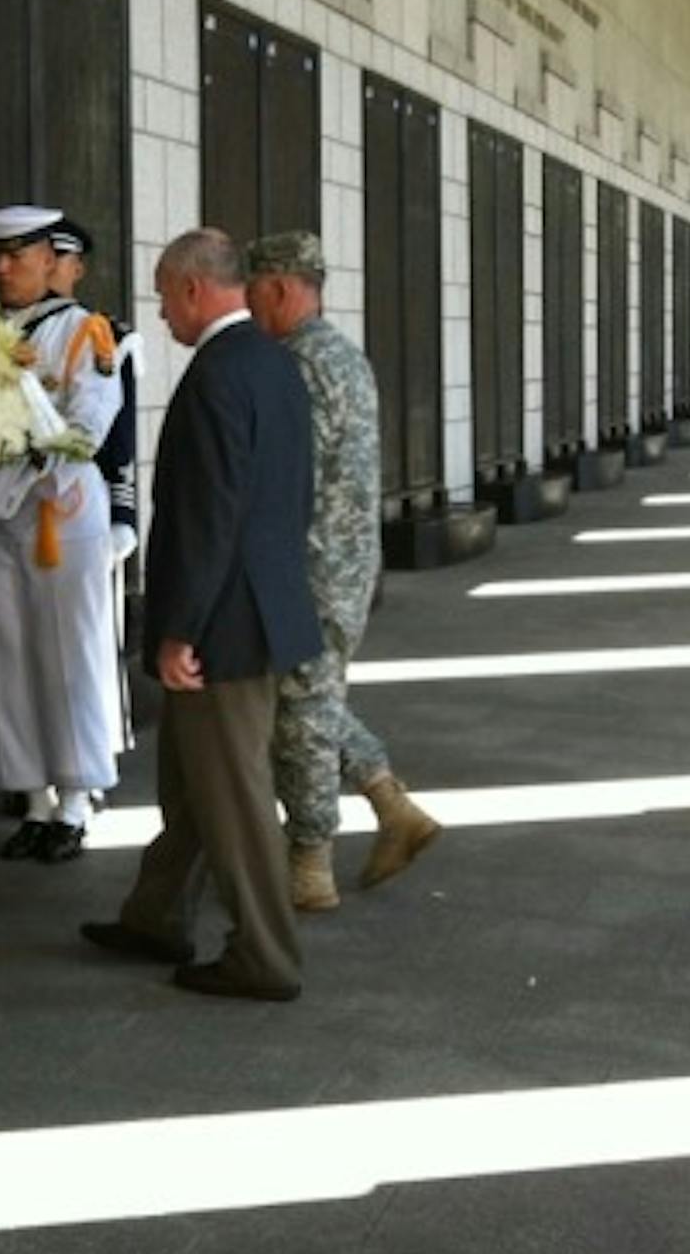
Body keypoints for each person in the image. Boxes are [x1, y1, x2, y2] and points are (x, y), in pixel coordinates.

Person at [81, 229, 319, 1001]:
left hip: (223, 622)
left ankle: (266, 954)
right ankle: (155, 916)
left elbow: (209, 513)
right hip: (262, 605)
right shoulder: (275, 363)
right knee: (191, 787)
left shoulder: (219, 373)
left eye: (160, 293)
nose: (159, 311)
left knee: (234, 794)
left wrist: (179, 626)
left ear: (192, 288)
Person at [245, 231, 440, 910]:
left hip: (311, 566)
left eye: (252, 289)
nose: (247, 303)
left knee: (299, 714)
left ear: (277, 287)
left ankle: (310, 863)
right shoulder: (343, 354)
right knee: (311, 697)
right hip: (348, 563)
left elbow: (282, 477)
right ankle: (392, 805)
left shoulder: (295, 364)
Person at [0, 204, 125, 863]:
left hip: (59, 507)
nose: (3, 267)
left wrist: (26, 445)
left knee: (68, 652)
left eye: (17, 255)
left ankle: (76, 800)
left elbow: (89, 421)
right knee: (8, 652)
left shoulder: (84, 330)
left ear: (47, 260)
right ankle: (31, 796)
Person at [49, 219, 142, 791]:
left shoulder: (105, 333)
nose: (52, 267)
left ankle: (90, 768)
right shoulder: (4, 333)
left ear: (77, 267)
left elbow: (121, 435)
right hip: (19, 511)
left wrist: (123, 516)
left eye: (61, 258)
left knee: (88, 648)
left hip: (84, 501)